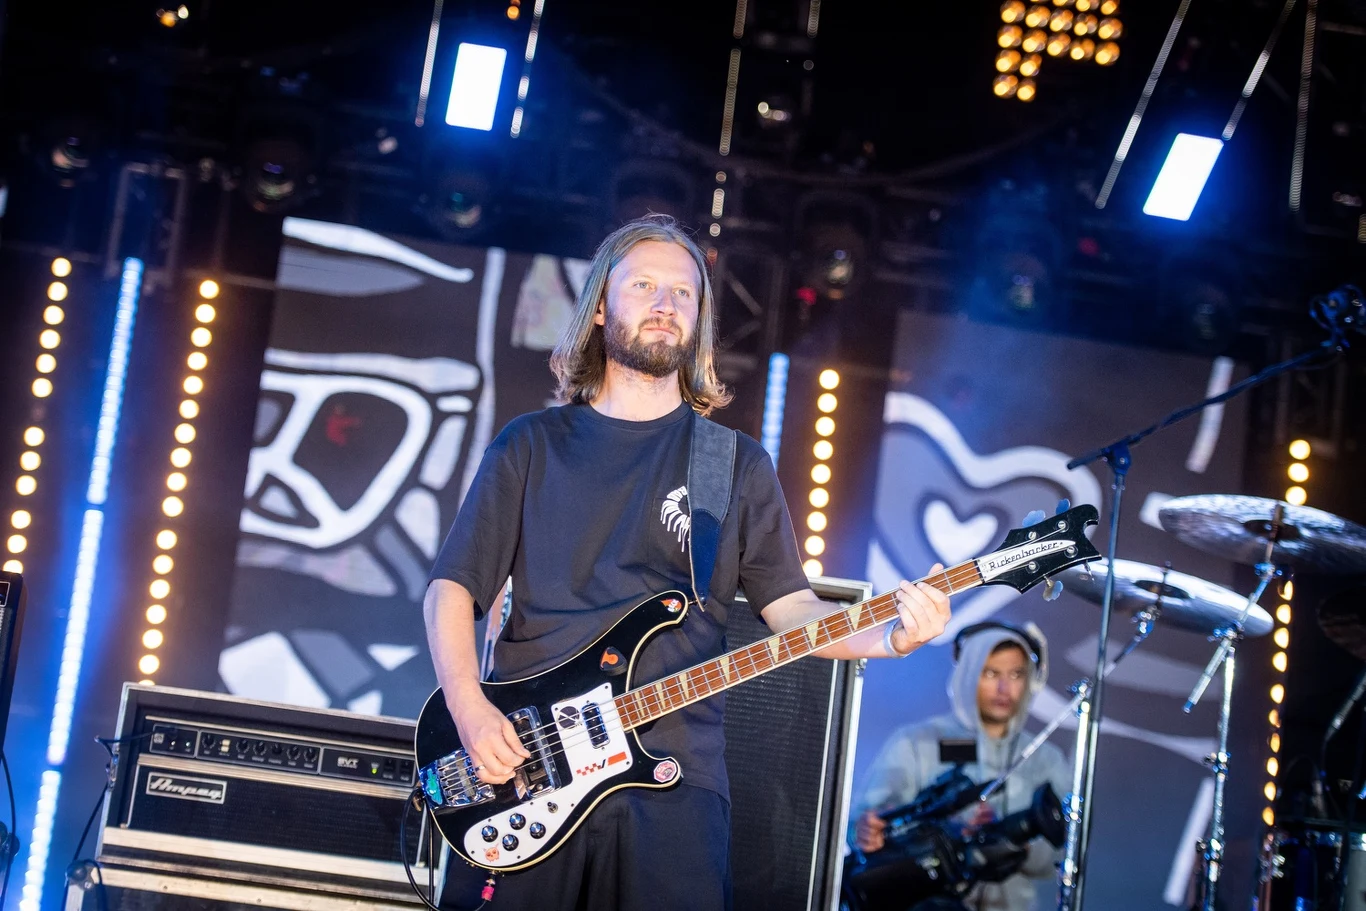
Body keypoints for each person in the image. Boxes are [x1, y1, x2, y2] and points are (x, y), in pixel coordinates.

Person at [423, 215, 953, 911]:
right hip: (532, 765)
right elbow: (452, 588)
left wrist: (892, 636)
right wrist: (468, 708)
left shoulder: (733, 463)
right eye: (644, 285)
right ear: (601, 306)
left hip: (676, 778)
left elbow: (792, 609)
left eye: (683, 293)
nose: (666, 303)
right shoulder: (530, 445)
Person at [853, 622, 1069, 911]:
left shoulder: (1046, 758)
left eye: (1016, 674)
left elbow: (1062, 853)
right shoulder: (916, 741)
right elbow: (862, 822)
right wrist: (868, 831)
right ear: (968, 673)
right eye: (991, 673)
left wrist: (1012, 840)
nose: (1004, 688)